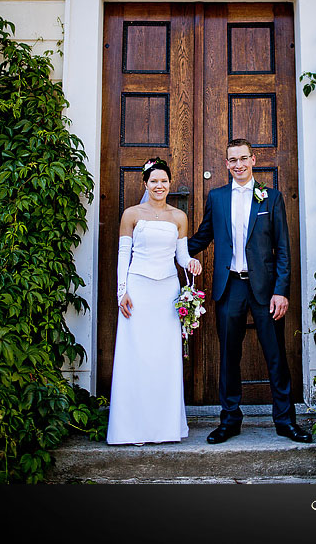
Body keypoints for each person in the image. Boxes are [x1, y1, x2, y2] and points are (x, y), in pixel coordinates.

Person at [188, 138, 311, 444]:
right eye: (233, 160)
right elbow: (203, 237)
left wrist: (281, 291)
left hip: (265, 289)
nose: (239, 165)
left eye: (244, 158)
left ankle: (284, 421)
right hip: (230, 287)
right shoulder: (216, 198)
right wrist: (170, 250)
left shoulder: (270, 197)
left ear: (254, 160)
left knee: (275, 355)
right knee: (229, 356)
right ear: (226, 163)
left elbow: (282, 248)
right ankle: (230, 420)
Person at [107, 157, 202, 445]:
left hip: (167, 293)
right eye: (154, 181)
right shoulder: (131, 214)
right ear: (145, 184)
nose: (159, 186)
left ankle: (164, 428)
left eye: (164, 181)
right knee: (135, 357)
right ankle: (131, 429)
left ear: (169, 184)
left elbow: (181, 256)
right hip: (138, 290)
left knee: (164, 359)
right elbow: (125, 254)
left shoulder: (178, 217)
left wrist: (192, 263)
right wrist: (121, 292)